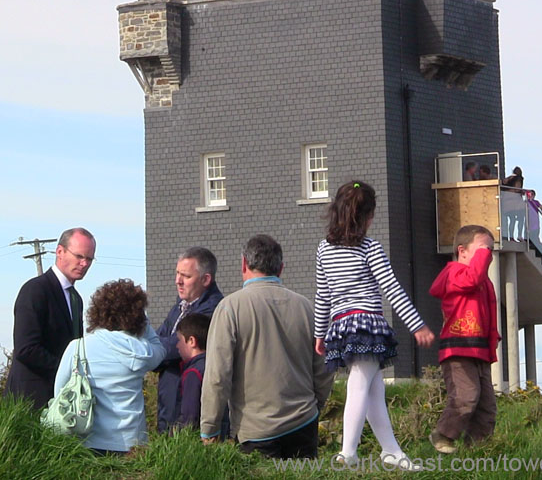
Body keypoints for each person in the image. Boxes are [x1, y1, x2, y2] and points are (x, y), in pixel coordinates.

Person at [314, 181, 435, 470]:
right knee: (360, 386)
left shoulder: (323, 249)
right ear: (367, 217)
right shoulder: (370, 248)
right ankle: (348, 453)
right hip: (368, 325)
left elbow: (323, 294)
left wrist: (319, 333)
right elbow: (391, 288)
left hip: (341, 327)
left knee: (373, 391)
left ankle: (391, 451)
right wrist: (417, 325)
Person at [201, 235, 334, 459]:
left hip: (256, 429)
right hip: (304, 422)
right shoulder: (306, 308)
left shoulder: (230, 308)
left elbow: (217, 376)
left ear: (243, 264)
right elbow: (324, 367)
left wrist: (209, 429)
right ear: (281, 268)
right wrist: (315, 406)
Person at [53, 279, 164, 454]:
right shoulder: (140, 350)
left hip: (85, 441)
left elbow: (59, 392)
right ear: (137, 316)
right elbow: (160, 349)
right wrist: (144, 322)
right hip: (132, 444)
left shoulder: (77, 348)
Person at [428, 225, 500, 454]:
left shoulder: (484, 283)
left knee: (486, 406)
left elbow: (488, 313)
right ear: (463, 251)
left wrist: (493, 340)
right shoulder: (454, 273)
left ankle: (478, 450)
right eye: (483, 249)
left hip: (480, 351)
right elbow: (471, 278)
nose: (488, 253)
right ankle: (444, 434)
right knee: (465, 397)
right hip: (459, 350)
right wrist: (482, 256)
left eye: (490, 250)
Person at [6, 227, 95, 410]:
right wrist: (67, 370)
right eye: (79, 256)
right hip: (30, 402)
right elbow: (26, 349)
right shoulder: (35, 290)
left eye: (89, 259)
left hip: (61, 401)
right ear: (60, 252)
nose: (84, 264)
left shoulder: (75, 299)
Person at [156, 247, 224, 433]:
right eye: (177, 273)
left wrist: (150, 353)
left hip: (187, 412)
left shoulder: (212, 312)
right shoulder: (180, 307)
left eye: (185, 276)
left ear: (206, 279)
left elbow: (168, 349)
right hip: (169, 406)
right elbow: (156, 342)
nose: (178, 281)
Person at [174, 313, 210, 429]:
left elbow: (189, 418)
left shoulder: (193, 373)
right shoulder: (214, 365)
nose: (177, 346)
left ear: (191, 341)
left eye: (179, 340)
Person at [501, 166, 525, 241]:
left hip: (506, 202)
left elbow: (503, 183)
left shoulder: (508, 178)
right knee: (521, 218)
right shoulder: (519, 178)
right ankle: (519, 235)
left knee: (512, 219)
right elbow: (517, 189)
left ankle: (510, 237)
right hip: (515, 202)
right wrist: (522, 191)